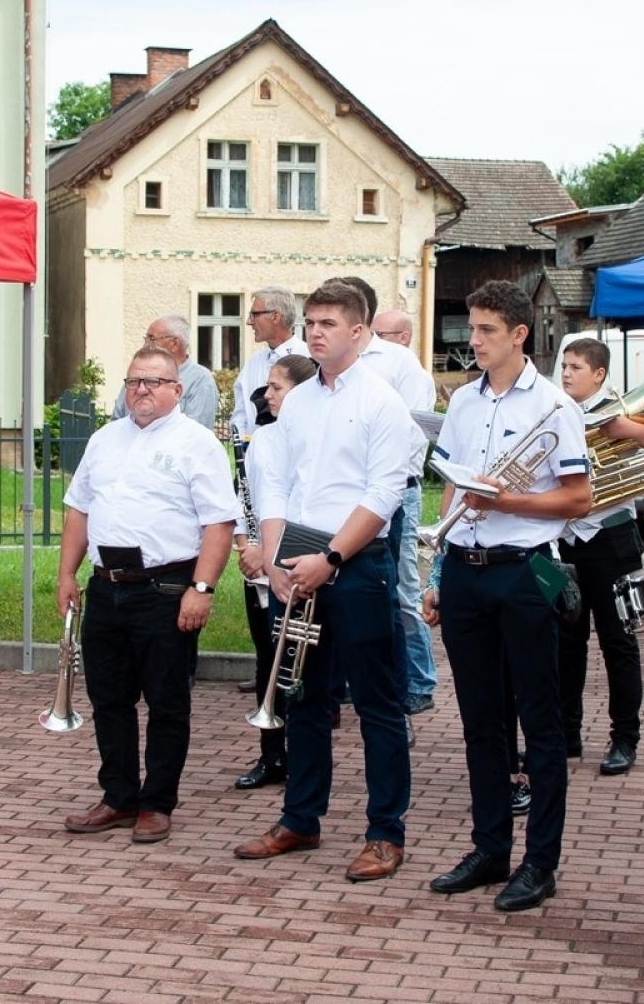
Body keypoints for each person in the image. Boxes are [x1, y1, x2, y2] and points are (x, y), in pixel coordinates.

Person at [235, 280, 413, 883]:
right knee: (302, 696)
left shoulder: (382, 402)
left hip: (358, 566)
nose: (315, 331)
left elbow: (383, 494)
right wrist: (286, 559)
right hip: (301, 561)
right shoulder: (299, 401)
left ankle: (386, 833)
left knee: (376, 704)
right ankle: (300, 819)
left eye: (329, 323)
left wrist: (331, 559)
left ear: (359, 332)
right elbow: (276, 483)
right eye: (310, 321)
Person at [421, 279, 590, 912]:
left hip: (524, 572)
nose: (475, 341)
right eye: (473, 329)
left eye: (487, 330)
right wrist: (438, 570)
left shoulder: (554, 407)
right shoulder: (463, 401)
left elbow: (578, 499)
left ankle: (539, 862)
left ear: (520, 334)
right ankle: (490, 847)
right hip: (466, 569)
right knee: (480, 719)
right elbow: (452, 486)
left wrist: (507, 499)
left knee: (540, 725)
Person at [58, 346, 238, 845]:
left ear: (177, 390)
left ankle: (157, 802)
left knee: (166, 701)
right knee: (108, 699)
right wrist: (66, 575)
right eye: (135, 380)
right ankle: (117, 796)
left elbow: (218, 524)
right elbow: (79, 512)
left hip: (167, 587)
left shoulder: (196, 443)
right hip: (106, 586)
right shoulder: (103, 440)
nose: (142, 390)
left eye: (155, 382)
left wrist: (202, 589)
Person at [557, 337, 644, 774]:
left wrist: (625, 430)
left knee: (618, 644)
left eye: (576, 367)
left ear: (599, 375)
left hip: (612, 540)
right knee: (566, 645)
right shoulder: (556, 410)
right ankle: (566, 736)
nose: (567, 373)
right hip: (568, 541)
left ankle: (624, 738)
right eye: (564, 366)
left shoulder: (623, 409)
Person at [233, 354, 319, 790]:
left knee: (297, 665)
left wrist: (270, 552)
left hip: (294, 561)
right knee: (267, 658)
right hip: (259, 560)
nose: (266, 396)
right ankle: (271, 755)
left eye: (276, 388)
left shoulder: (309, 438)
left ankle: (301, 758)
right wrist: (246, 545)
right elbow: (247, 499)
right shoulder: (262, 438)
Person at [359, 300, 440, 719]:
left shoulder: (403, 366)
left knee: (404, 587)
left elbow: (413, 430)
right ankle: (378, 678)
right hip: (359, 490)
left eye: (383, 332)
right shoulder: (352, 360)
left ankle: (420, 680)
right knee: (372, 590)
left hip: (397, 488)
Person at [109, 314, 220, 430]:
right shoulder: (137, 375)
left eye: (151, 338)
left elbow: (195, 433)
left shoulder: (200, 379)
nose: (145, 345)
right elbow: (116, 423)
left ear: (174, 344)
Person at [230, 287, 309, 442]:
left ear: (275, 316)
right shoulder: (253, 364)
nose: (248, 322)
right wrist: (241, 443)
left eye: (254, 314)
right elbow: (241, 413)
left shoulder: (309, 360)